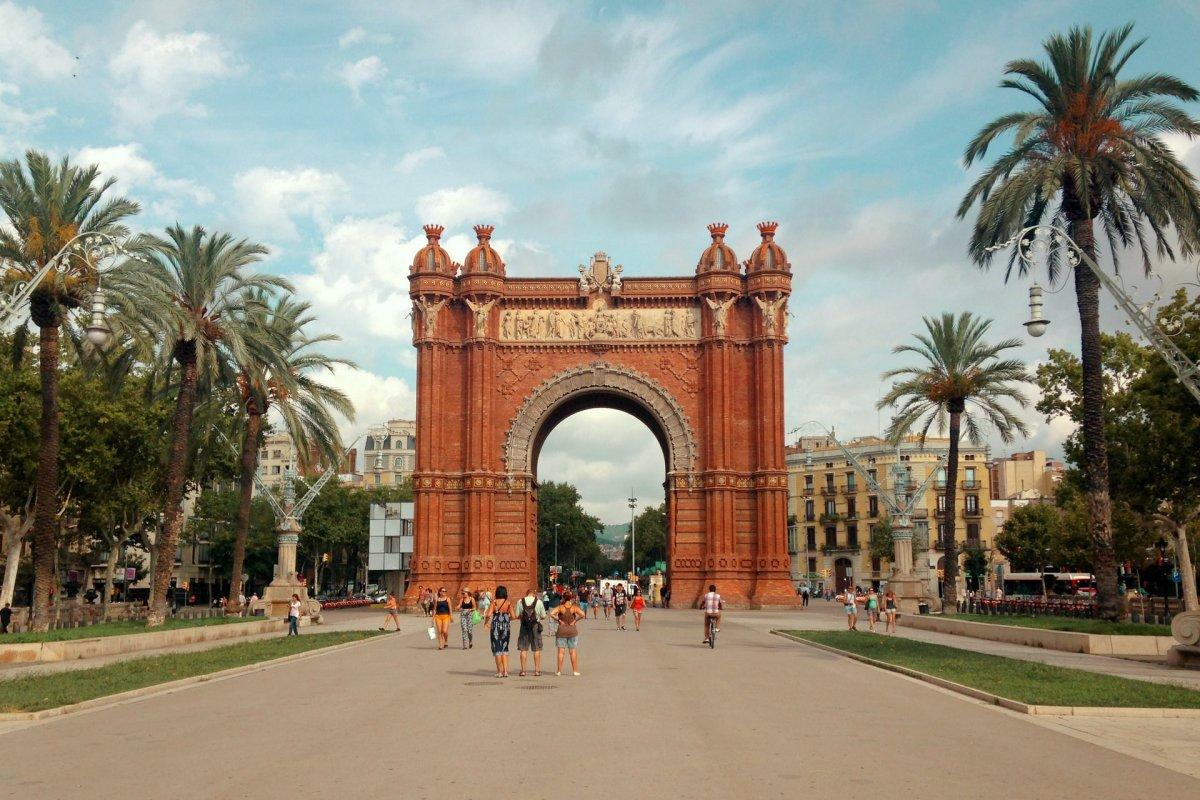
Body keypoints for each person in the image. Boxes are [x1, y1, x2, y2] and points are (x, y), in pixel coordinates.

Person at [550, 590, 584, 676]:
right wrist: (575, 621)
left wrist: (559, 620)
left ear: (563, 598)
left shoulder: (560, 607)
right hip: (572, 630)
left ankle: (559, 671)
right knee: (572, 651)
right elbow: (583, 614)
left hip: (561, 630)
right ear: (571, 598)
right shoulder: (574, 607)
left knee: (561, 652)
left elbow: (551, 613)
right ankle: (575, 671)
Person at [514, 587, 546, 676]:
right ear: (534, 594)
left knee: (523, 649)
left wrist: (524, 617)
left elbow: (517, 615)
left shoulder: (520, 601)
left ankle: (523, 671)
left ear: (526, 593)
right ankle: (537, 670)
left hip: (524, 627)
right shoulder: (539, 602)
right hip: (535, 626)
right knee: (537, 649)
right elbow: (543, 616)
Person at [484, 585, 512, 678]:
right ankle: (506, 671)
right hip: (506, 627)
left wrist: (486, 623)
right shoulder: (508, 603)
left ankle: (499, 672)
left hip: (495, 627)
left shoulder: (494, 602)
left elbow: (488, 615)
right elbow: (514, 616)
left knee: (497, 649)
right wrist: (506, 619)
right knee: (505, 648)